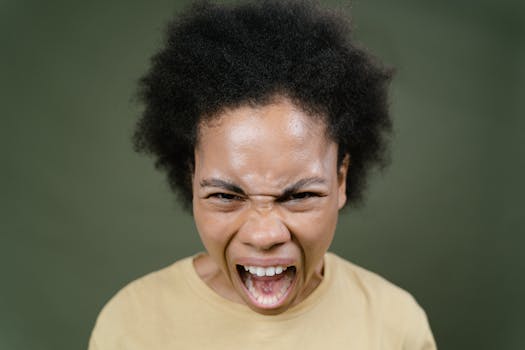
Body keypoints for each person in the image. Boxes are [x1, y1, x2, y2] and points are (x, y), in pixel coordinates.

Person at [88, 1, 436, 349]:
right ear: (192, 179)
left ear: (341, 179)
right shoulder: (131, 323)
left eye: (300, 196)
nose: (264, 234)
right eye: (226, 196)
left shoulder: (395, 324)